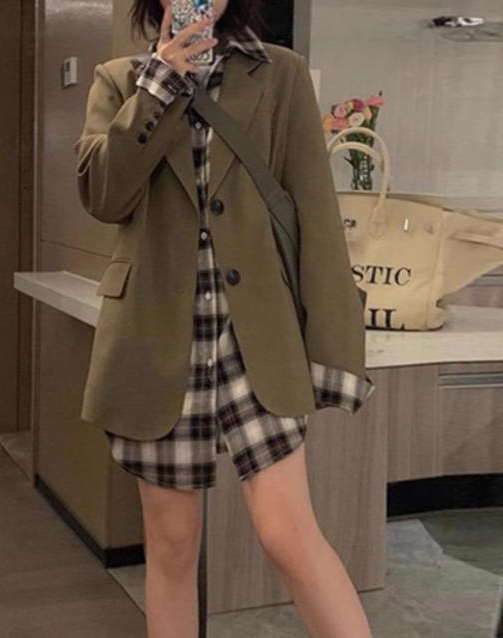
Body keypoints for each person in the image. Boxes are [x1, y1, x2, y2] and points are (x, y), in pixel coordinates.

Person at [74, 1, 376, 636]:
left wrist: (335, 347)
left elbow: (316, 212)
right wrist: (158, 84)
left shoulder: (281, 74)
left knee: (288, 533)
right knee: (172, 544)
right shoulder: (119, 80)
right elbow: (103, 195)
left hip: (254, 338)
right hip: (156, 339)